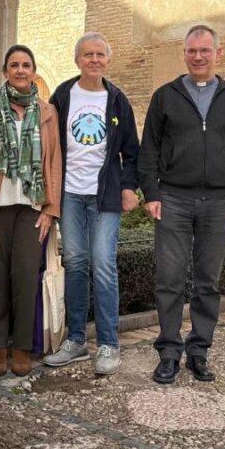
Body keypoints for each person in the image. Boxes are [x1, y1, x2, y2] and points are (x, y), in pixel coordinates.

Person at [139, 24, 225, 385]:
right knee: (169, 279)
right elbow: (149, 149)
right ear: (184, 54)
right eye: (192, 51)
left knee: (208, 281)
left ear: (218, 54)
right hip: (173, 198)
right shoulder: (165, 96)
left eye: (205, 50)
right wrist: (151, 194)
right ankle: (169, 352)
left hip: (218, 200)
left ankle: (199, 350)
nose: (198, 57)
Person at [44, 33, 139, 375]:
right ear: (77, 60)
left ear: (108, 60)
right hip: (69, 192)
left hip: (105, 194)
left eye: (100, 54)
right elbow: (48, 143)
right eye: (88, 54)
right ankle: (76, 341)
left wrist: (129, 187)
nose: (94, 60)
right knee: (75, 262)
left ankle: (109, 343)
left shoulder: (117, 100)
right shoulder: (62, 95)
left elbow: (132, 150)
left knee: (103, 263)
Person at [0, 45, 62, 378]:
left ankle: (21, 347)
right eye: (14, 65)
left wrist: (51, 209)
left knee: (25, 277)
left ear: (33, 71)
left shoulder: (47, 112)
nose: (20, 70)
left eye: (26, 65)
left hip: (31, 207)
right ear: (5, 71)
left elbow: (54, 161)